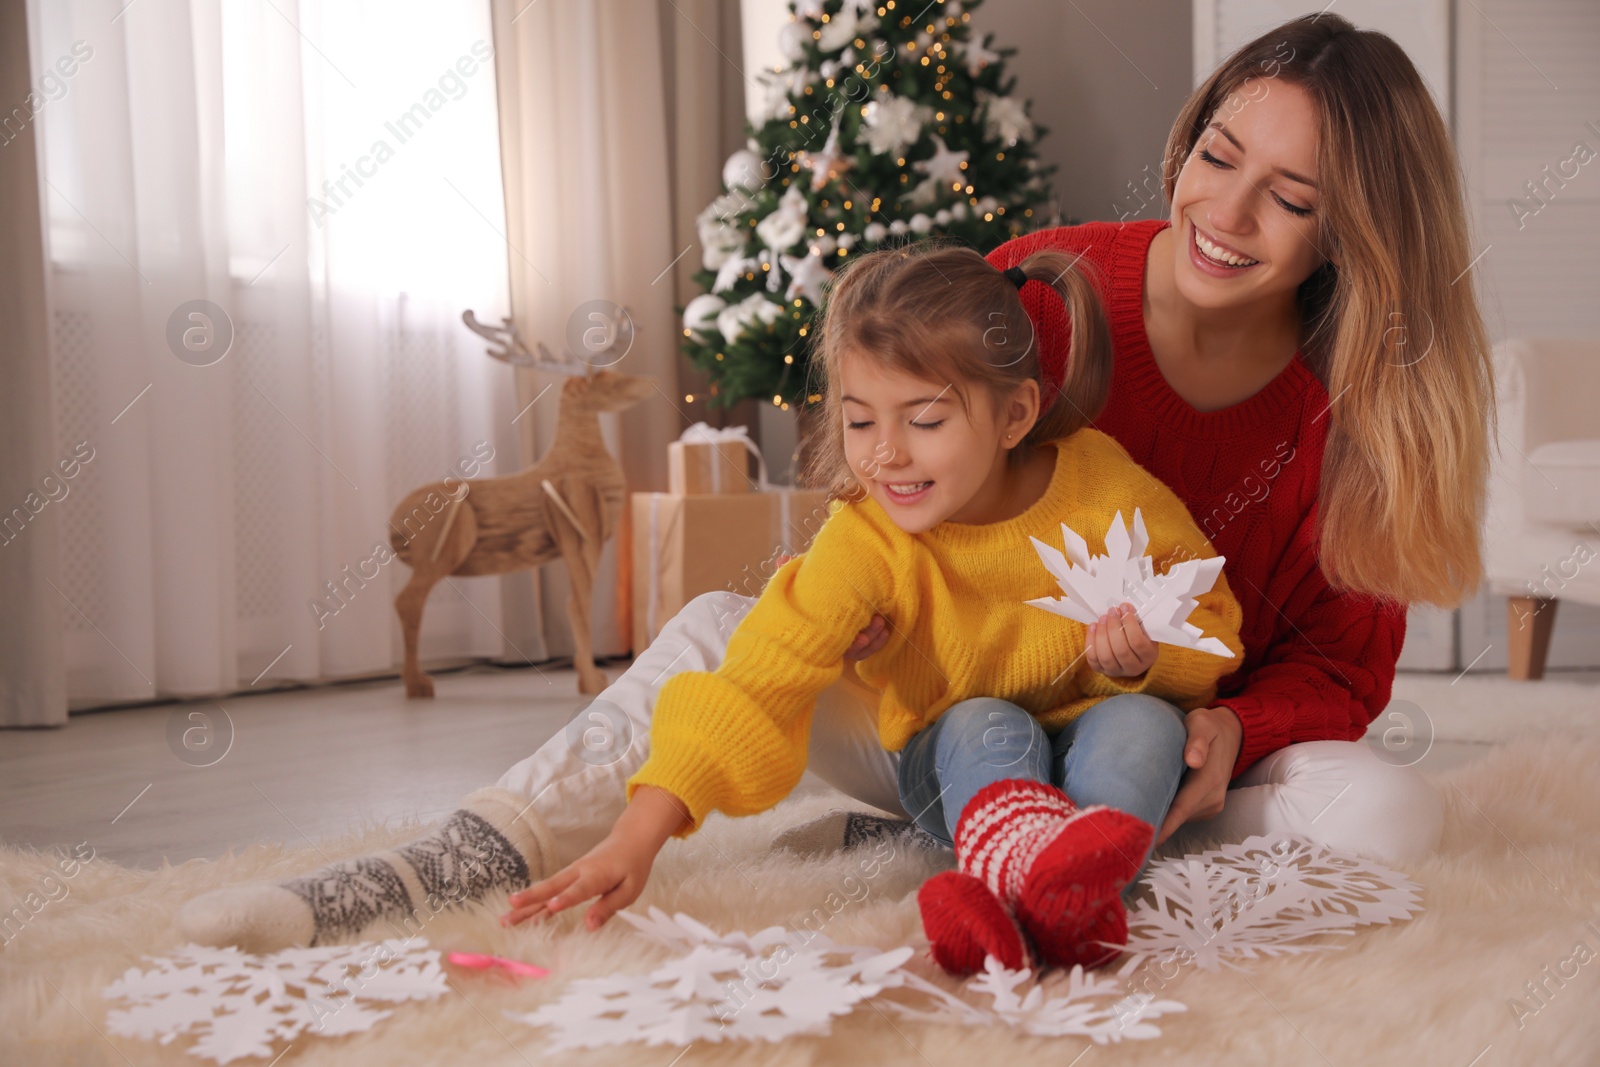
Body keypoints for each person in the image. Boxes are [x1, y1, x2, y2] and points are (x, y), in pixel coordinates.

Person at [178, 13, 1491, 957]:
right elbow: (885, 474)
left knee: (1385, 805)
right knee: (715, 631)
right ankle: (460, 852)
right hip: (941, 714)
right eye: (1217, 155)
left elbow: (1340, 665)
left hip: (1147, 742)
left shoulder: (1356, 409)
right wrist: (864, 613)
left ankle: (1064, 859)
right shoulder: (1052, 293)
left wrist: (1230, 732)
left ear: (1357, 228)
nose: (1228, 211)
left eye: (1292, 197)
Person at [516, 242, 1245, 977]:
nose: (884, 455)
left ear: (1015, 414)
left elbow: (1214, 624)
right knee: (984, 721)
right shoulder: (869, 534)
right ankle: (1026, 870)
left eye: (923, 421)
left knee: (1146, 721)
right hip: (959, 755)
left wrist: (1153, 655)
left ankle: (1071, 890)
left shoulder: (1102, 485)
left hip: (1096, 726)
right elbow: (757, 676)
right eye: (860, 421)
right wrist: (636, 834)